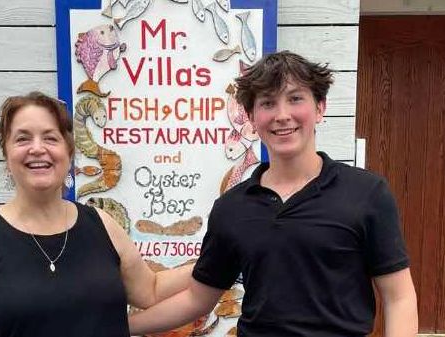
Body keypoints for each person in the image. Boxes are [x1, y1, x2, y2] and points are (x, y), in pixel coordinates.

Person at [129, 51, 418, 337]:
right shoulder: (231, 208)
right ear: (252, 118)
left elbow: (399, 297)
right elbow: (197, 298)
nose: (282, 116)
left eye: (295, 99)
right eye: (268, 103)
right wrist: (118, 327)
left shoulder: (367, 193)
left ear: (320, 107)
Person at [0, 92, 192, 337]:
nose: (37, 148)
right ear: (6, 155)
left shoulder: (102, 225)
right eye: (22, 138)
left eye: (50, 137)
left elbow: (151, 290)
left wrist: (215, 262)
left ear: (68, 153)